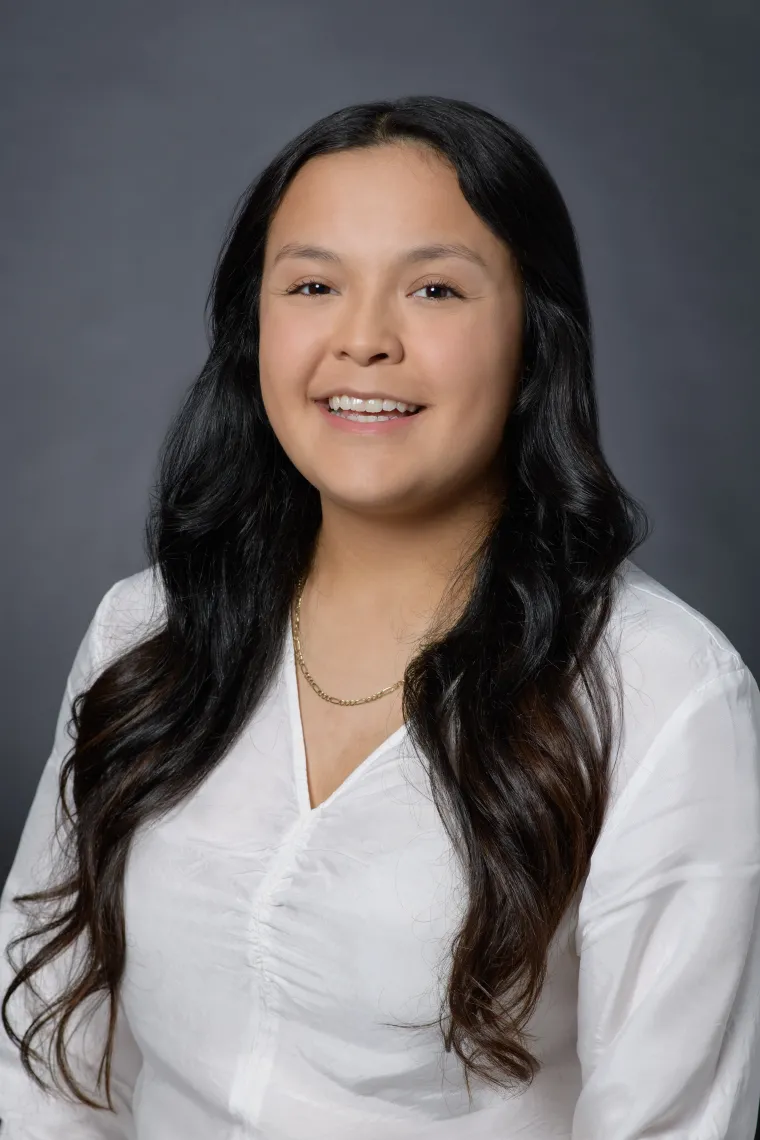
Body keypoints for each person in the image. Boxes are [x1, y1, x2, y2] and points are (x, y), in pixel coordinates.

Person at [1, 94, 759, 1140]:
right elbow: (41, 1060)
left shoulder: (662, 692)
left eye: (435, 289)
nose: (362, 341)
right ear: (254, 326)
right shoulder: (148, 630)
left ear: (535, 337)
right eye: (313, 285)